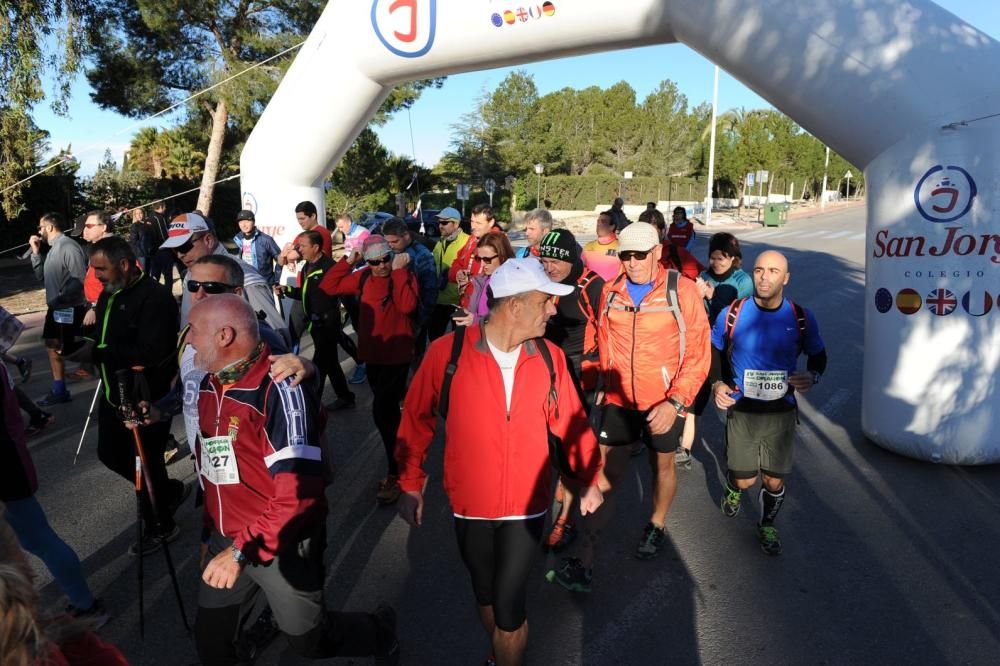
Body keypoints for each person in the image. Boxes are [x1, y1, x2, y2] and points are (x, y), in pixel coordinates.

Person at [396, 258, 605, 666]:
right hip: (470, 504)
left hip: (526, 506)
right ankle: (500, 654)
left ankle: (506, 651)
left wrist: (589, 477)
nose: (552, 310)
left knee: (509, 612)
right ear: (515, 306)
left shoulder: (550, 357)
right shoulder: (447, 353)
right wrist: (408, 482)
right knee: (486, 595)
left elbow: (573, 422)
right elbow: (415, 418)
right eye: (545, 302)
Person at [187, 295, 399, 665]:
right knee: (212, 643)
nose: (187, 340)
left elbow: (297, 496)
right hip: (228, 537)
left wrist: (239, 551)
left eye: (193, 331)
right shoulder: (209, 384)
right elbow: (214, 466)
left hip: (281, 539)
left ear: (223, 335)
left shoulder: (279, 390)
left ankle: (381, 633)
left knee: (310, 642)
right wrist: (212, 530)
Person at [587, 222, 710, 568]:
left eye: (640, 254)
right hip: (620, 400)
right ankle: (587, 548)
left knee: (662, 465)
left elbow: (699, 354)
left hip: (664, 401)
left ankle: (656, 522)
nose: (633, 262)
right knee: (606, 472)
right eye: (625, 255)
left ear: (657, 252)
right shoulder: (611, 291)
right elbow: (604, 340)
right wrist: (603, 384)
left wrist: (676, 402)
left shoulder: (681, 291)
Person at [64, 236, 186, 556]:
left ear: (124, 264)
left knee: (145, 465)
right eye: (93, 270)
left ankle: (161, 524)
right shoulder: (110, 292)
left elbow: (152, 350)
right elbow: (105, 334)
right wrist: (80, 341)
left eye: (101, 269)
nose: (97, 276)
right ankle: (166, 492)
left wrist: (98, 352)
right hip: (112, 393)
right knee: (110, 454)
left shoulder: (155, 297)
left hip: (147, 397)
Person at [712, 250, 826, 556]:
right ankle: (735, 487)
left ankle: (766, 525)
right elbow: (713, 351)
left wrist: (812, 375)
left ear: (785, 278)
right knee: (746, 479)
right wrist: (717, 383)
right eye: (759, 270)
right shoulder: (732, 313)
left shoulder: (801, 317)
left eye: (774, 271)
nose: (765, 277)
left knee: (774, 481)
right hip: (743, 408)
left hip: (781, 410)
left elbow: (819, 355)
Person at [1, 361, 109, 626]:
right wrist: (35, 412)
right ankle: (82, 604)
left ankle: (84, 606)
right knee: (34, 541)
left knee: (36, 540)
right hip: (10, 460)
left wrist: (34, 413)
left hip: (6, 464)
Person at [318, 235, 419, 503]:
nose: (381, 266)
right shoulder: (363, 277)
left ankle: (396, 472)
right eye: (375, 261)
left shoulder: (403, 275)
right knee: (386, 414)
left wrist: (398, 273)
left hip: (397, 356)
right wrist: (349, 260)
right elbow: (329, 285)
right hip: (373, 357)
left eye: (386, 259)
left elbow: (408, 305)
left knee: (382, 413)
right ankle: (402, 455)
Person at [537, 229, 605, 553]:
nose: (548, 268)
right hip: (547, 367)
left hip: (581, 373)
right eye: (544, 261)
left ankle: (566, 519)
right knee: (549, 444)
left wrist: (606, 382)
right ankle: (563, 485)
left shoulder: (591, 286)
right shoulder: (543, 281)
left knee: (571, 444)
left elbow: (610, 334)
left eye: (554, 262)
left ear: (570, 260)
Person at [676, 233, 753, 467]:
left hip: (730, 348)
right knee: (694, 400)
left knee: (729, 401)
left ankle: (736, 447)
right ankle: (685, 448)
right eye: (713, 257)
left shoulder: (743, 281)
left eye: (722, 258)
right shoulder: (703, 276)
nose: (716, 263)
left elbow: (739, 315)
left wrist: (711, 295)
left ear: (733, 259)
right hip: (702, 344)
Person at [160, 211, 287, 342]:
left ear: (208, 240)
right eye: (174, 249)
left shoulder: (246, 279)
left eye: (184, 247)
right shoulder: (190, 274)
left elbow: (278, 339)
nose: (180, 255)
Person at [276, 230, 357, 410]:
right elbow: (306, 293)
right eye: (298, 246)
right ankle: (345, 397)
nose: (299, 249)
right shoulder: (307, 266)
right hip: (315, 323)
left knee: (318, 365)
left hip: (327, 323)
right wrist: (286, 290)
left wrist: (353, 317)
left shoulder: (329, 267)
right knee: (331, 363)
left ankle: (311, 404)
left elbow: (343, 294)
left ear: (316, 247)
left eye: (303, 246)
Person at [28, 212, 88, 407]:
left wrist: (61, 297)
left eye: (40, 227)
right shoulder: (52, 249)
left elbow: (79, 278)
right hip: (56, 308)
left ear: (50, 227)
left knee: (73, 349)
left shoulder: (68, 246)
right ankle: (59, 389)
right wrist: (35, 253)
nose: (39, 231)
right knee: (53, 346)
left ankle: (104, 375)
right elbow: (41, 278)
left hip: (70, 308)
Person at [276, 202, 334, 348]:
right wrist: (285, 253)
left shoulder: (321, 233)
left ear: (313, 216)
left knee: (328, 340)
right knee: (299, 333)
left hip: (318, 292)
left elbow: (291, 256)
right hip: (304, 289)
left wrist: (288, 254)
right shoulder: (303, 236)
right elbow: (282, 260)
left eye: (302, 219)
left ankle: (360, 361)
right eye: (298, 219)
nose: (300, 222)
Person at [382, 217, 438, 357]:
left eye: (394, 241)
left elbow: (430, 290)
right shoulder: (392, 251)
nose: (391, 246)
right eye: (387, 242)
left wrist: (421, 320)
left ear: (406, 235)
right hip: (394, 315)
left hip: (414, 317)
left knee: (414, 359)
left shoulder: (422, 255)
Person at [453, 232, 516, 327]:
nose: (482, 265)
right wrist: (468, 313)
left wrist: (475, 320)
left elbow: (507, 323)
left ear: (502, 255)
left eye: (487, 259)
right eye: (479, 259)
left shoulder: (512, 284)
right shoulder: (485, 278)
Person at [428, 207, 470, 341]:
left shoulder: (468, 242)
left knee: (458, 341)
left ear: (456, 224)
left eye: (445, 223)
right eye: (439, 223)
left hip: (458, 302)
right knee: (434, 338)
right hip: (439, 300)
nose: (440, 226)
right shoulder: (440, 242)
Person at [450, 204, 503, 303]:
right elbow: (457, 263)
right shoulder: (472, 239)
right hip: (466, 302)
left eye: (478, 223)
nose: (473, 226)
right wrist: (458, 273)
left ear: (491, 222)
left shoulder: (499, 243)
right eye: (472, 221)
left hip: (484, 307)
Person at [641, 208, 705, 280]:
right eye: (645, 232)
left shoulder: (676, 252)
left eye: (653, 232)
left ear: (663, 231)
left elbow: (703, 275)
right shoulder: (630, 255)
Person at [232, 210, 281, 286]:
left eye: (247, 221)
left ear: (254, 222)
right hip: (244, 283)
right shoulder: (237, 240)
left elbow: (280, 259)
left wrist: (276, 281)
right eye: (241, 222)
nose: (244, 225)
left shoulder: (266, 240)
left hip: (263, 284)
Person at [581, 210, 620, 281]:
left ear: (612, 227)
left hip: (612, 290)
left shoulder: (621, 247)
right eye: (598, 221)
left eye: (603, 222)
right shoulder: (588, 246)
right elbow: (579, 269)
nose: (598, 224)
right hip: (590, 290)